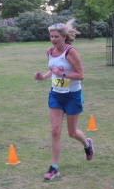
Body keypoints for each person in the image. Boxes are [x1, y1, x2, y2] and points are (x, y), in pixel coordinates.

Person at [33, 19, 94, 180]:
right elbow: (52, 71)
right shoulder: (49, 52)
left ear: (64, 37)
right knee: (55, 131)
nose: (53, 40)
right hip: (56, 95)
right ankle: (54, 168)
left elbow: (80, 75)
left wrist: (63, 74)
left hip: (72, 95)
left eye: (56, 37)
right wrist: (42, 77)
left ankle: (87, 144)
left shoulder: (70, 52)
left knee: (72, 132)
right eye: (51, 36)